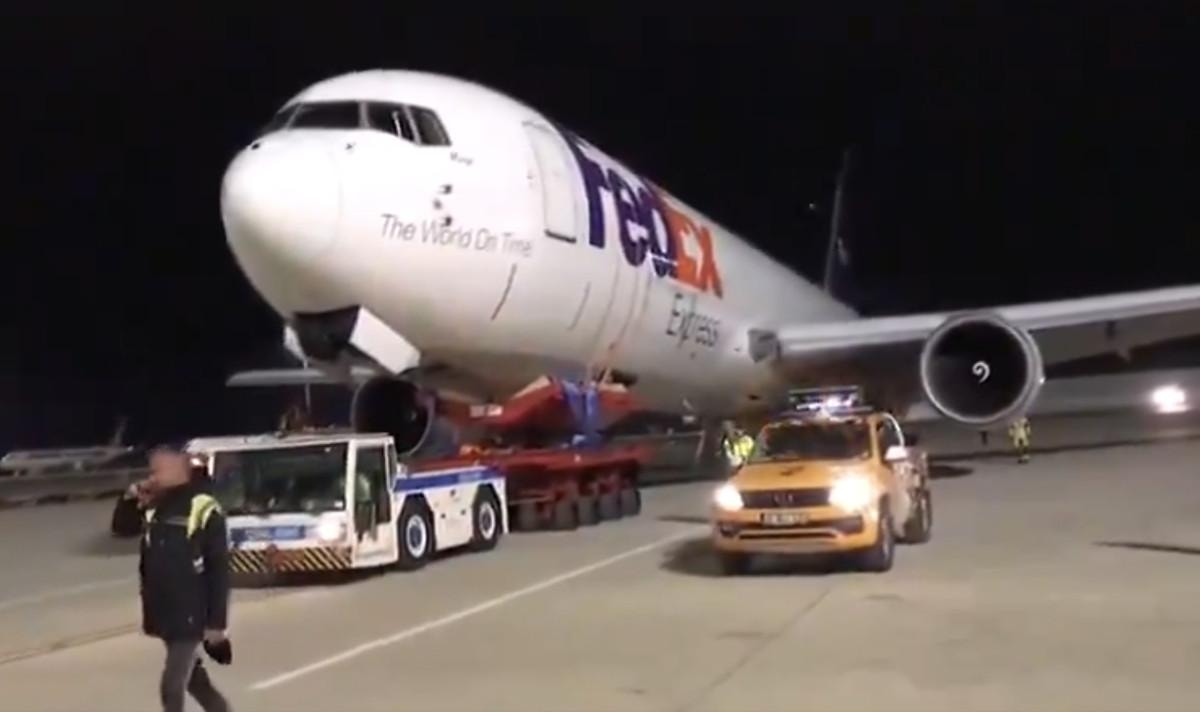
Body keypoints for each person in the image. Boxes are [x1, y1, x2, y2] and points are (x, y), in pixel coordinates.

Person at [113, 445, 232, 712]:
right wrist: (130, 496)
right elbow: (123, 527)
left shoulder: (204, 506)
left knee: (172, 685)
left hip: (191, 612)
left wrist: (216, 623)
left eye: (159, 470)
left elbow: (219, 569)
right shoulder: (156, 504)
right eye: (152, 470)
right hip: (163, 610)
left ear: (180, 468)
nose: (153, 476)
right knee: (195, 682)